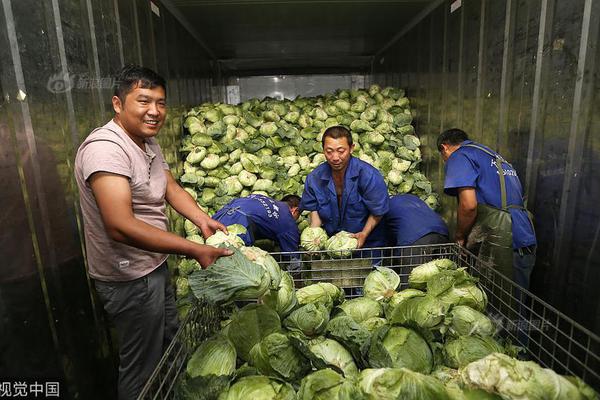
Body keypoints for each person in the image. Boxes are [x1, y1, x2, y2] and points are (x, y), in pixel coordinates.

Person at [74, 65, 231, 400]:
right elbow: (120, 226)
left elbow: (170, 187)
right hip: (128, 277)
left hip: (152, 267)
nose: (154, 111)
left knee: (168, 346)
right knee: (142, 366)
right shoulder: (106, 149)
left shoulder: (146, 142)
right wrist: (194, 249)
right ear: (118, 103)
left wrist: (202, 219)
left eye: (160, 103)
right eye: (144, 101)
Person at [437, 128, 536, 290]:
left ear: (444, 147)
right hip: (524, 237)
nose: (445, 162)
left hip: (503, 243)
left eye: (443, 157)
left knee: (499, 310)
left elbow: (468, 206)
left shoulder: (459, 156)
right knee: (515, 307)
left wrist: (460, 236)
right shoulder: (494, 157)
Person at [300, 125, 389, 255]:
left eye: (341, 151)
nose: (335, 157)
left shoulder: (369, 175)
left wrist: (364, 234)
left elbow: (378, 211)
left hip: (369, 240)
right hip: (334, 243)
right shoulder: (315, 178)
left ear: (351, 148)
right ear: (323, 150)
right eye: (329, 151)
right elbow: (314, 211)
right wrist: (314, 236)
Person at [212, 194, 301, 253]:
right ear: (295, 210)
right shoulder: (288, 220)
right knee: (230, 260)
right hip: (240, 224)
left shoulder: (261, 197)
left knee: (210, 249)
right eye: (298, 215)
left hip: (219, 216)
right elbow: (292, 254)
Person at [385, 194, 449, 246]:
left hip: (415, 240)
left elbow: (382, 238)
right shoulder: (411, 197)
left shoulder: (384, 207)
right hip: (442, 233)